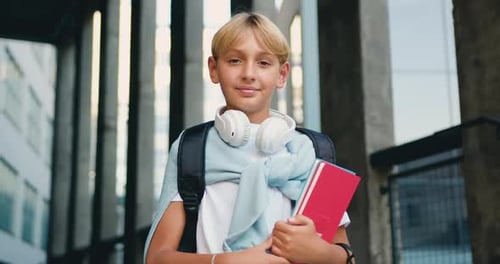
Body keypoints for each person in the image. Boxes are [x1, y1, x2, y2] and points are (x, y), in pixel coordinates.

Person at [144, 11, 354, 264]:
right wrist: (225, 261)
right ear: (214, 69)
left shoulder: (314, 150)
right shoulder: (191, 148)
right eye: (234, 61)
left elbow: (346, 257)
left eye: (264, 63)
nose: (249, 74)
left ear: (282, 74)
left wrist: (319, 253)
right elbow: (157, 258)